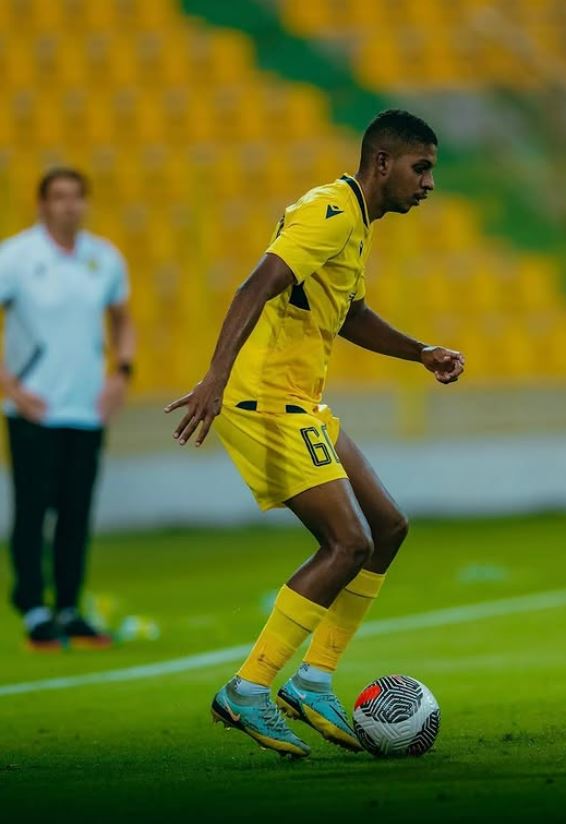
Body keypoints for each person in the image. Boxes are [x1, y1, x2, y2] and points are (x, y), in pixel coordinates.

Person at [165, 110, 464, 757]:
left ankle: (314, 678)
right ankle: (248, 688)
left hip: (301, 399)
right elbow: (259, 281)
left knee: (386, 527)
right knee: (346, 541)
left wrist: (419, 352)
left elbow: (348, 312)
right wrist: (215, 376)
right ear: (381, 164)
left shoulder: (354, 226)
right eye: (421, 168)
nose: (428, 183)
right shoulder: (328, 211)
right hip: (263, 398)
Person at [0, 168, 135, 650]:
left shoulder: (104, 259)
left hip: (85, 407)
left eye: (77, 197)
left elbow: (122, 320)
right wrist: (10, 387)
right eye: (59, 197)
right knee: (34, 512)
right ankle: (34, 607)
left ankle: (70, 607)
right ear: (41, 205)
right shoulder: (16, 257)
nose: (68, 206)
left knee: (76, 513)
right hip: (35, 409)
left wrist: (121, 373)